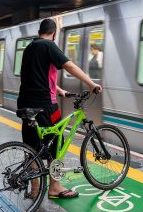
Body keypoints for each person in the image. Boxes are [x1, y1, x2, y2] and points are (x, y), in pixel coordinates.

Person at [17, 18, 102, 199]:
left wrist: (60, 90)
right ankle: (55, 186)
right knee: (57, 144)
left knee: (32, 146)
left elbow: (37, 77)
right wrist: (91, 84)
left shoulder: (29, 48)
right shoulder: (48, 45)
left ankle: (34, 190)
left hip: (25, 104)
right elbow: (69, 66)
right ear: (54, 33)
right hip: (44, 105)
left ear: (40, 31)